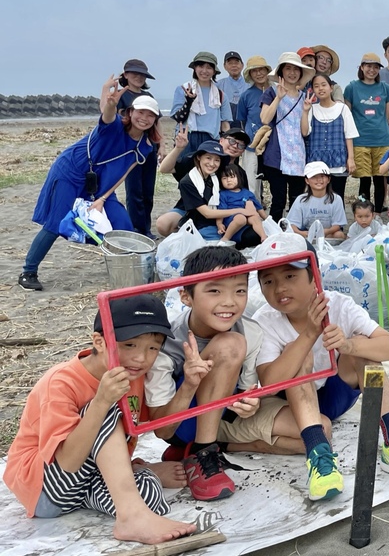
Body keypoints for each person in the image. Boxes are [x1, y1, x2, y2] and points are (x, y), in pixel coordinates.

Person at [3, 295, 198, 544]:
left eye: (153, 348)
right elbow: (68, 462)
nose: (141, 358)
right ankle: (131, 516)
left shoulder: (134, 373)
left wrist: (190, 385)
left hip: (89, 483)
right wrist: (101, 402)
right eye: (129, 345)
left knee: (149, 490)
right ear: (99, 341)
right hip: (46, 489)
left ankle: (134, 493)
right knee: (107, 409)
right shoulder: (61, 382)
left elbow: (162, 430)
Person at [252, 234, 389, 483]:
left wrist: (348, 345)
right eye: (268, 281)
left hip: (335, 395)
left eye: (290, 276)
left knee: (362, 349)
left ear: (314, 275)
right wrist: (308, 334)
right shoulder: (264, 320)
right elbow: (271, 381)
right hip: (293, 405)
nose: (280, 288)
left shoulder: (338, 305)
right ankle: (318, 454)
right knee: (297, 358)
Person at [146, 247, 263, 501]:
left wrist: (248, 406)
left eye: (240, 290)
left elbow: (244, 395)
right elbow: (163, 432)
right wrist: (189, 384)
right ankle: (202, 453)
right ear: (186, 296)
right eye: (214, 290)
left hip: (221, 418)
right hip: (182, 424)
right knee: (230, 344)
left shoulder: (252, 332)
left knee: (312, 433)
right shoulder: (165, 345)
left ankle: (199, 451)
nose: (230, 301)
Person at [20, 79, 161, 292]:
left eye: (150, 115)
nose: (144, 118)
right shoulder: (113, 128)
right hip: (71, 171)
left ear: (156, 120)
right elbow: (107, 114)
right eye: (140, 112)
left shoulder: (146, 146)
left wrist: (103, 199)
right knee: (56, 222)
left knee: (123, 222)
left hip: (101, 183)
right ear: (130, 112)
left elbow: (123, 173)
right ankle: (28, 272)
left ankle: (129, 269)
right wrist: (112, 103)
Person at [155, 128, 249, 237]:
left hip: (221, 211)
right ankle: (186, 235)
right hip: (191, 207)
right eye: (232, 141)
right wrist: (178, 148)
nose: (235, 146)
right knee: (163, 224)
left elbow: (244, 197)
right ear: (221, 140)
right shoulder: (199, 160)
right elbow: (164, 169)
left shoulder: (239, 173)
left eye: (241, 145)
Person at [345, 52, 389, 214]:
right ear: (362, 67)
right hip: (360, 140)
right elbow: (348, 114)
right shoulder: (352, 87)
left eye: (375, 67)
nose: (372, 70)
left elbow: (387, 115)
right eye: (368, 66)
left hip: (381, 139)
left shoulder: (384, 88)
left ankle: (377, 212)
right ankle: (363, 213)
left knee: (380, 179)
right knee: (364, 180)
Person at [259, 52, 315, 220]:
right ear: (281, 72)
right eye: (288, 68)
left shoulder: (305, 97)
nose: (292, 73)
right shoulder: (271, 92)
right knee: (279, 199)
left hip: (298, 154)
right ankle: (274, 234)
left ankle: (294, 232)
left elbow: (305, 132)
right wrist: (278, 97)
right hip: (277, 154)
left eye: (295, 69)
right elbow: (265, 119)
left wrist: (306, 111)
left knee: (297, 199)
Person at [175, 141, 262, 246]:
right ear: (199, 157)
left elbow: (239, 192)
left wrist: (248, 202)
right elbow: (207, 213)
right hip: (204, 224)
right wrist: (241, 210)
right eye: (208, 158)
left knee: (255, 234)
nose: (212, 164)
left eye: (217, 160)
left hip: (228, 219)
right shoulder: (188, 182)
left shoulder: (217, 176)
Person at [115, 59, 161, 238]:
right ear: (125, 75)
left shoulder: (149, 98)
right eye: (134, 73)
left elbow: (156, 124)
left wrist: (162, 146)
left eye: (142, 75)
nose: (138, 77)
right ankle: (136, 229)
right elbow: (113, 121)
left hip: (149, 148)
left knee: (148, 191)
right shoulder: (120, 96)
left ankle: (146, 229)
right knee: (134, 192)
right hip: (130, 150)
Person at [304, 73, 359, 201]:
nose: (320, 89)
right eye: (316, 86)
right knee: (317, 196)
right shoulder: (311, 108)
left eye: (324, 85)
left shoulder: (342, 108)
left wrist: (351, 158)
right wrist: (305, 111)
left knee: (338, 197)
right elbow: (305, 132)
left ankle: (338, 221)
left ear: (331, 88)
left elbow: (349, 135)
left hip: (338, 161)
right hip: (316, 161)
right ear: (312, 90)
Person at [171, 52, 232, 155]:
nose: (204, 71)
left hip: (211, 139)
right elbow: (178, 118)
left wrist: (227, 144)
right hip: (186, 137)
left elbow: (225, 125)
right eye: (201, 66)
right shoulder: (183, 89)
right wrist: (188, 101)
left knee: (209, 169)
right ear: (195, 68)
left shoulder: (220, 95)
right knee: (184, 169)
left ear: (214, 71)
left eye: (209, 67)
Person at [234, 56, 272, 194]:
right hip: (252, 145)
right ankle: (253, 210)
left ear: (267, 71)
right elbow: (242, 120)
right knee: (251, 181)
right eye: (254, 71)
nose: (259, 73)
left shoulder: (277, 91)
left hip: (273, 143)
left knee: (275, 181)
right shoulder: (246, 95)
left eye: (261, 69)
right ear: (250, 74)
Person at [286, 161, 348, 239]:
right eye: (314, 177)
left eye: (322, 176)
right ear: (307, 180)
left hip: (327, 233)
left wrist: (326, 232)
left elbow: (337, 225)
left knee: (339, 235)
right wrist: (301, 233)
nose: (319, 180)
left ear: (328, 179)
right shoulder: (301, 200)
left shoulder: (336, 199)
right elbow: (292, 225)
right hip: (306, 234)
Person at [217, 163, 268, 244]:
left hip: (247, 216)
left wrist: (267, 219)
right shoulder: (223, 194)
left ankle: (263, 237)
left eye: (232, 177)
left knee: (254, 217)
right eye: (224, 178)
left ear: (239, 178)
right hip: (231, 218)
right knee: (241, 218)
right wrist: (219, 224)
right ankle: (225, 239)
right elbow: (221, 211)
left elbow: (259, 207)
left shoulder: (247, 193)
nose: (228, 180)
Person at [217, 51, 248, 125]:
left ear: (242, 65)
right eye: (230, 63)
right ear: (224, 66)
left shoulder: (250, 84)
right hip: (226, 125)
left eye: (236, 62)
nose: (234, 65)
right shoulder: (218, 85)